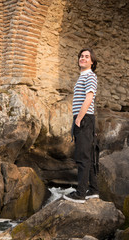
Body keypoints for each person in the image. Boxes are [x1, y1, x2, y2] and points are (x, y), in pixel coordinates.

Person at [64, 47, 99, 203]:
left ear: (92, 61)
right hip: (84, 118)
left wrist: (79, 118)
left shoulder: (90, 76)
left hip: (84, 119)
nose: (83, 58)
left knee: (82, 157)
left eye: (87, 56)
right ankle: (93, 190)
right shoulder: (82, 77)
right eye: (81, 56)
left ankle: (80, 194)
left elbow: (89, 98)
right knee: (88, 157)